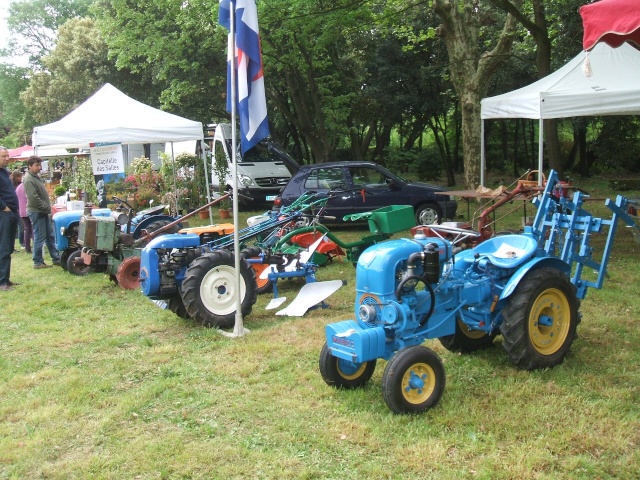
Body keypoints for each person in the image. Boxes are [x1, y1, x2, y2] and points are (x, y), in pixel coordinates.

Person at [23, 155, 60, 269]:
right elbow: (33, 198)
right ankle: (38, 262)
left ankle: (56, 258)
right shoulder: (28, 179)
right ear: (30, 166)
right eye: (36, 165)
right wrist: (46, 207)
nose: (39, 168)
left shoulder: (34, 176)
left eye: (40, 165)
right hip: (37, 211)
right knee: (40, 237)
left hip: (41, 210)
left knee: (50, 236)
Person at [0, 146, 20, 290]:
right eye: (4, 156)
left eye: (7, 156)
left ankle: (5, 278)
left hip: (11, 212)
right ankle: (2, 282)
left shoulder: (4, 172)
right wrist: (3, 207)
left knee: (9, 247)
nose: (7, 159)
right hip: (4, 213)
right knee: (4, 247)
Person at [15, 171, 32, 254]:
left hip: (21, 211)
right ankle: (34, 246)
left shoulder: (18, 188)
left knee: (27, 229)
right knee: (32, 229)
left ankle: (27, 247)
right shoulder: (27, 186)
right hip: (29, 209)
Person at [11, 170, 24, 251]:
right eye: (19, 177)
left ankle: (22, 242)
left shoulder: (19, 185)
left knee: (21, 227)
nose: (20, 178)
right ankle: (21, 242)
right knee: (20, 227)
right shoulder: (12, 185)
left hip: (19, 208)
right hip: (15, 208)